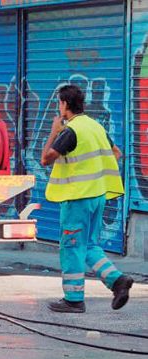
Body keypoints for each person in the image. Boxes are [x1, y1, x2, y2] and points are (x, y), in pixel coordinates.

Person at [41, 84, 133, 313]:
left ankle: (73, 299)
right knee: (89, 244)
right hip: (97, 195)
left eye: (59, 104)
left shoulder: (71, 131)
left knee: (71, 246)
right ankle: (117, 281)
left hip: (78, 198)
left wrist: (54, 130)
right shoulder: (95, 127)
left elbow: (45, 158)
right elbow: (117, 153)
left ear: (64, 105)